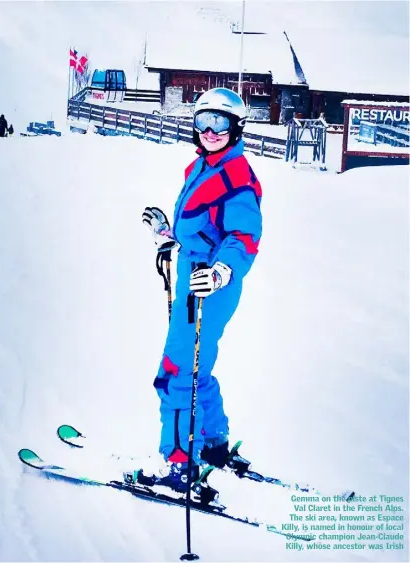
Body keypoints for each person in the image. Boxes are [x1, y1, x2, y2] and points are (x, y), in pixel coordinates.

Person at [139, 88, 262, 494]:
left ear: (236, 127)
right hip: (194, 275)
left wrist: (222, 270)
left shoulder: (237, 176)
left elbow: (243, 235)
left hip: (209, 285)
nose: (211, 131)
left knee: (177, 370)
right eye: (203, 122)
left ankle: (179, 465)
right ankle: (213, 444)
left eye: (221, 123)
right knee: (195, 365)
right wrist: (167, 233)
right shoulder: (202, 167)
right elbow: (203, 228)